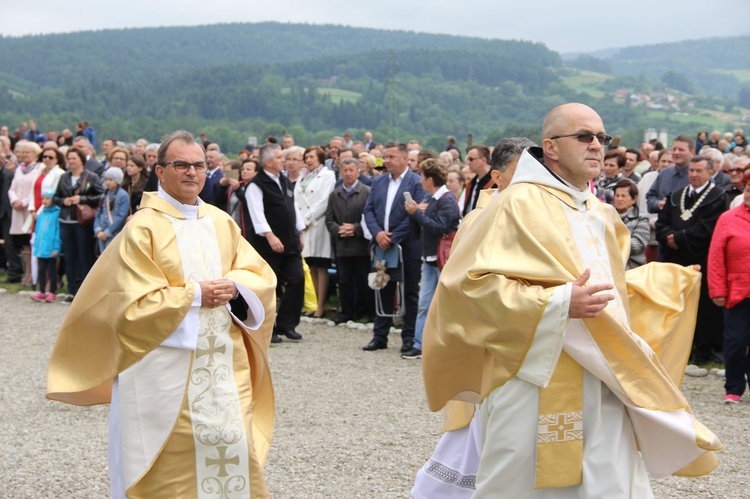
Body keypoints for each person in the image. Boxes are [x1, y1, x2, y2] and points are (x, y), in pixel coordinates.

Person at [419, 103, 721, 498]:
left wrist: (662, 282)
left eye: (602, 137)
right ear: (552, 147)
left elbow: (610, 295)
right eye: (584, 136)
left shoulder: (602, 214)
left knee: (609, 484)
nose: (597, 145)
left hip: (603, 377)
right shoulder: (515, 203)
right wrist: (559, 303)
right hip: (531, 376)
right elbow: (467, 289)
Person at [46, 130, 278, 498]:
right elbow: (128, 306)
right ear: (160, 171)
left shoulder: (220, 221)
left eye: (199, 165)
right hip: (161, 366)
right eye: (181, 164)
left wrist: (236, 286)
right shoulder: (143, 227)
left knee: (230, 445)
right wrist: (195, 294)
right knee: (166, 459)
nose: (191, 172)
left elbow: (259, 275)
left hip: (222, 363)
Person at [656, 155, 727, 364]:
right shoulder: (676, 196)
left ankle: (703, 350)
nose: (694, 175)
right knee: (676, 304)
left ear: (710, 172)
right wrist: (668, 237)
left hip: (702, 260)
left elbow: (709, 228)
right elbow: (662, 223)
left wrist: (678, 238)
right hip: (676, 261)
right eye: (692, 171)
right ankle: (676, 349)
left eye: (699, 171)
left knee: (702, 308)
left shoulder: (717, 197)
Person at [362, 142, 425, 352]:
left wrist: (393, 237)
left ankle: (409, 337)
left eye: (391, 157)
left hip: (407, 246)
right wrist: (377, 233)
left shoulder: (417, 182)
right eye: (385, 157)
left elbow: (415, 214)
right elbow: (368, 210)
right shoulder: (378, 181)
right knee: (382, 289)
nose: (386, 161)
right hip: (381, 245)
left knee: (409, 293)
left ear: (405, 159)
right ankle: (380, 336)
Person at [402, 158, 461, 360]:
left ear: (429, 179)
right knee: (425, 303)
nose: (419, 181)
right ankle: (420, 344)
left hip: (441, 260)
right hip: (430, 259)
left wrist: (416, 213)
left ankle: (436, 345)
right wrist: (417, 212)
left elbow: (439, 228)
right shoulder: (433, 199)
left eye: (422, 177)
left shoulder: (447, 200)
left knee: (440, 305)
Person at [247, 143, 305, 343]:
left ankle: (287, 325)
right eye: (280, 158)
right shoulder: (256, 184)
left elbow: (293, 206)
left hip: (290, 242)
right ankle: (267, 328)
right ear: (269, 162)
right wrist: (270, 235)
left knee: (297, 279)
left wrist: (299, 232)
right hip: (267, 246)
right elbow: (257, 214)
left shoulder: (284, 180)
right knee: (270, 286)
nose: (284, 161)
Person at [708, 171, 750, 404]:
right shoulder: (728, 218)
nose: (749, 193)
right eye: (747, 188)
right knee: (736, 341)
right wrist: (717, 290)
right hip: (737, 291)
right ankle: (733, 387)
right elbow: (715, 257)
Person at [325, 158, 373, 324]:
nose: (348, 174)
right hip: (342, 245)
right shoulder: (335, 194)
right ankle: (346, 312)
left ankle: (366, 311)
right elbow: (329, 219)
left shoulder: (367, 192)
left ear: (358, 172)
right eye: (345, 170)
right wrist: (338, 230)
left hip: (361, 246)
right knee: (344, 280)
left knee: (363, 279)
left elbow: (370, 217)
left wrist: (355, 228)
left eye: (351, 170)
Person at [53, 147, 104, 301]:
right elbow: (56, 198)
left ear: (81, 160)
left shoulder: (92, 177)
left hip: (82, 222)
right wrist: (64, 201)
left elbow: (101, 196)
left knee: (84, 256)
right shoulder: (64, 177)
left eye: (74, 158)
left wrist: (82, 199)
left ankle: (84, 291)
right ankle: (71, 290)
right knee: (69, 256)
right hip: (66, 220)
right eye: (69, 158)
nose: (71, 161)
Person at [296, 146, 336, 318]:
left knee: (321, 265)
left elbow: (324, 200)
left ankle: (321, 305)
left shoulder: (327, 175)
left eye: (312, 157)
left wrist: (307, 219)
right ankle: (312, 303)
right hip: (303, 226)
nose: (309, 160)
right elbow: (296, 199)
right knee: (310, 264)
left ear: (320, 158)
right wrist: (299, 221)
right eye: (306, 157)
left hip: (317, 224)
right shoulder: (302, 176)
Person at [8, 140, 43, 286]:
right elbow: (12, 188)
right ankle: (27, 274)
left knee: (32, 242)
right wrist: (14, 200)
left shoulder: (39, 168)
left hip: (30, 209)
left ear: (35, 153)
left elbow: (35, 190)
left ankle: (35, 276)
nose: (24, 155)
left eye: (27, 152)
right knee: (23, 245)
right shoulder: (19, 169)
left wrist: (23, 202)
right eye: (22, 152)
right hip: (18, 211)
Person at [29, 188, 61, 303]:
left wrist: (56, 248)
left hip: (51, 248)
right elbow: (38, 231)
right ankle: (41, 290)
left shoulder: (57, 213)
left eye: (47, 198)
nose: (45, 201)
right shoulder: (41, 213)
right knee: (41, 269)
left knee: (51, 270)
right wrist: (36, 246)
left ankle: (52, 291)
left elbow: (58, 232)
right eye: (43, 198)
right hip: (41, 248)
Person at [613, 179, 649, 269]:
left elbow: (638, 244)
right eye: (617, 195)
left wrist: (611, 244)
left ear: (634, 199)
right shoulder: (606, 216)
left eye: (624, 196)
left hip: (632, 266)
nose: (619, 199)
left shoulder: (641, 218)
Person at [94, 168, 130, 253]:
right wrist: (98, 229)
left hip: (114, 233)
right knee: (102, 257)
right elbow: (98, 213)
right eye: (106, 179)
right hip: (102, 231)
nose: (107, 182)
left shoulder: (123, 195)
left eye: (111, 179)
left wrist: (107, 232)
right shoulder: (105, 194)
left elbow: (122, 216)